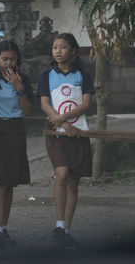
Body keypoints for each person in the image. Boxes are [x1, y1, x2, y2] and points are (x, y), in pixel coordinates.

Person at [36, 33, 95, 247]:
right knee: (61, 174)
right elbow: (44, 104)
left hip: (79, 131)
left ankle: (66, 229)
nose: (58, 51)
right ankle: (59, 225)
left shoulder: (83, 75)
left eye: (62, 47)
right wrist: (62, 123)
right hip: (56, 132)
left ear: (73, 50)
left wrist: (68, 121)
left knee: (73, 182)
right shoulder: (47, 75)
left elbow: (86, 103)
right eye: (54, 47)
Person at [0, 40, 33, 247]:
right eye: (4, 59)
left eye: (13, 59)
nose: (9, 63)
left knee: (10, 181)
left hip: (15, 130)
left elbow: (28, 112)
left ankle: (3, 227)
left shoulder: (24, 79)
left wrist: (19, 88)